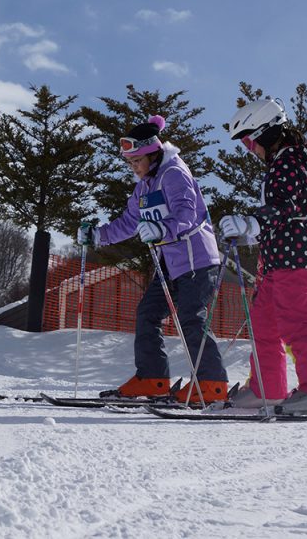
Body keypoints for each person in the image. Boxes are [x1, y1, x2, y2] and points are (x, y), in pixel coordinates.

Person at [78, 115, 229, 404]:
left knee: (190, 318)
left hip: (196, 259)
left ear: (153, 153)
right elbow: (128, 222)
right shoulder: (145, 186)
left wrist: (162, 229)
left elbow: (187, 213)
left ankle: (212, 383)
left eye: (137, 161)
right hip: (170, 266)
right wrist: (97, 236)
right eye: (130, 163)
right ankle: (152, 379)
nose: (134, 167)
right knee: (147, 313)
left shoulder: (174, 173)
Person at [219, 96, 307, 414]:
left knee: (295, 320)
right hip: (278, 252)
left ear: (266, 132)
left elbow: (287, 204)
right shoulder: (288, 159)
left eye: (249, 141)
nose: (250, 149)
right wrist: (250, 231)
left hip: (296, 250)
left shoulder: (292, 158)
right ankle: (267, 389)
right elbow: (284, 208)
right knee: (264, 323)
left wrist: (252, 222)